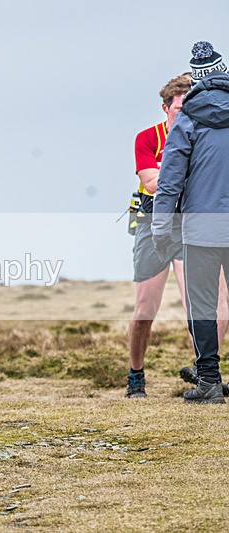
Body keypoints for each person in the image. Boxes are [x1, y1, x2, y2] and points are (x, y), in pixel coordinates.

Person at [153, 41, 229, 403]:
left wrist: (160, 228)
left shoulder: (186, 118)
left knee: (201, 305)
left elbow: (169, 179)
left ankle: (210, 383)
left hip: (201, 230)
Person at [126, 73, 192, 398]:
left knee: (203, 305)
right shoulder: (148, 138)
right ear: (165, 108)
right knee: (144, 312)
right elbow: (152, 183)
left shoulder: (206, 139)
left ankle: (207, 372)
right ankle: (136, 375)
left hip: (191, 223)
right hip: (151, 221)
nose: (186, 113)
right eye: (180, 108)